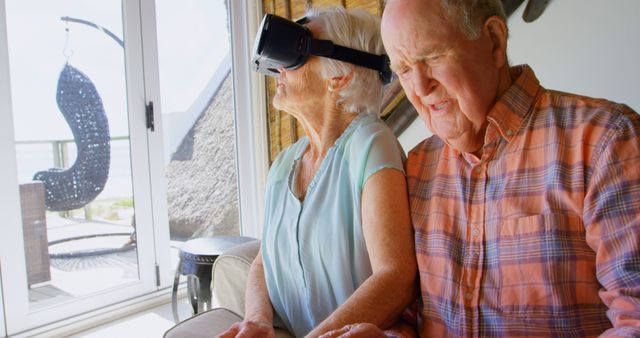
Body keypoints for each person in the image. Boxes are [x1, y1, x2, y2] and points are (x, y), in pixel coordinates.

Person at [322, 0, 640, 337]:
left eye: (431, 57)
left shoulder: (606, 140)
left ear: (494, 41)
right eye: (403, 69)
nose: (419, 87)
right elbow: (413, 318)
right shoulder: (415, 168)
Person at [216, 6, 417, 338]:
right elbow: (263, 262)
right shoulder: (284, 165)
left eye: (295, 52)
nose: (279, 67)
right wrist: (257, 321)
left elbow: (396, 276)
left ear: (338, 79)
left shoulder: (370, 145)